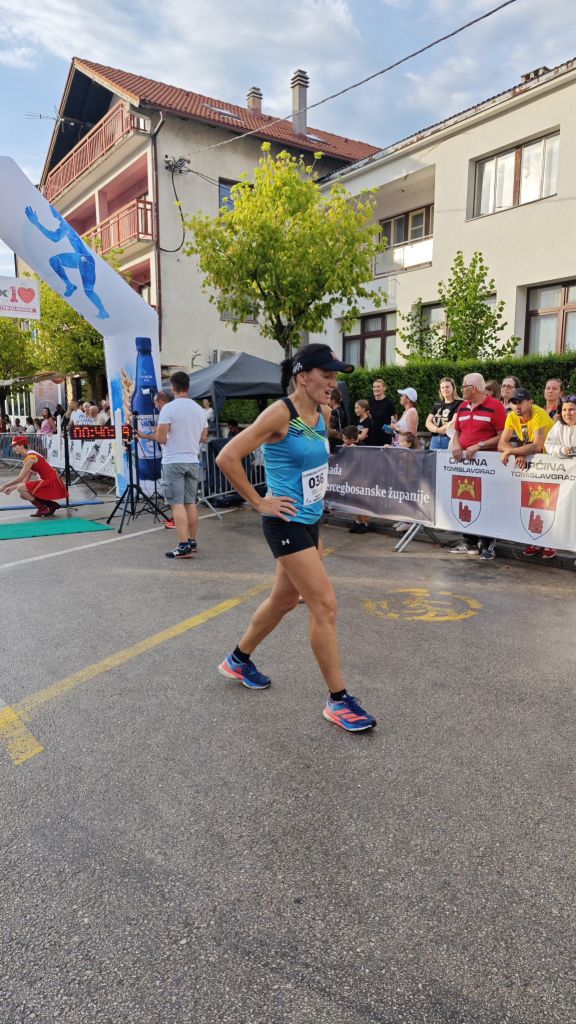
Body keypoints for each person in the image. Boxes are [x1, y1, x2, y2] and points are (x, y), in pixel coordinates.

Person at [215, 342, 376, 732]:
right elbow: (227, 457)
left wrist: (315, 523)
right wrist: (259, 501)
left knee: (284, 600)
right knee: (325, 606)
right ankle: (338, 701)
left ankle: (238, 660)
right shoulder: (279, 414)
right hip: (284, 522)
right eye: (327, 375)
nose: (333, 383)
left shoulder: (321, 413)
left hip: (308, 522)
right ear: (303, 377)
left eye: (335, 377)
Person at [449, 372, 506, 560]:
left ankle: (488, 544)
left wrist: (479, 445)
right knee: (466, 500)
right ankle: (470, 541)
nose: (461, 389)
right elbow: (457, 432)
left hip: (487, 466)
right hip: (466, 465)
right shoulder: (462, 406)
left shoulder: (496, 406)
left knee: (489, 503)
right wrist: (456, 445)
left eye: (463, 386)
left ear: (473, 388)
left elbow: (503, 436)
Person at [153, 371, 208, 559]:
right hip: (192, 460)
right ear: (188, 386)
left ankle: (183, 545)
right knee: (190, 503)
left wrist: (163, 435)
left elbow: (160, 438)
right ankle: (192, 542)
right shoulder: (199, 409)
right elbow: (203, 436)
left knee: (177, 505)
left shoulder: (168, 409)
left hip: (173, 460)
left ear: (173, 387)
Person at [0, 435, 68, 516]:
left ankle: (43, 509)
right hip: (49, 480)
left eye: (15, 446)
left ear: (21, 445)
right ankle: (51, 505)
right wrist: (12, 488)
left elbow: (20, 478)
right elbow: (25, 480)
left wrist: (4, 486)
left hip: (49, 481)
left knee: (21, 489)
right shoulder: (30, 455)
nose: (13, 448)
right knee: (23, 495)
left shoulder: (30, 458)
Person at [498, 388, 553, 470]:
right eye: (514, 402)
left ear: (530, 403)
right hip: (536, 461)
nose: (517, 406)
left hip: (552, 460)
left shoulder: (539, 414)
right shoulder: (511, 416)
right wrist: (518, 453)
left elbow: (537, 446)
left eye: (520, 402)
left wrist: (510, 451)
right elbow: (501, 444)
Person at [425, 378, 462, 450]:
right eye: (442, 387)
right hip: (434, 439)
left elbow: (453, 423)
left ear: (453, 388)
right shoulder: (437, 404)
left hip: (450, 439)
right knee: (433, 458)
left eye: (447, 387)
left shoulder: (459, 403)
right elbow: (427, 422)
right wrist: (437, 430)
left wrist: (437, 429)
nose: (445, 389)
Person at [367, 378, 395, 446]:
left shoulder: (389, 403)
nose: (376, 389)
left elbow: (394, 420)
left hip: (385, 439)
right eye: (374, 387)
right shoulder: (369, 402)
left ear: (384, 388)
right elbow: (369, 419)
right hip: (372, 437)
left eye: (378, 386)